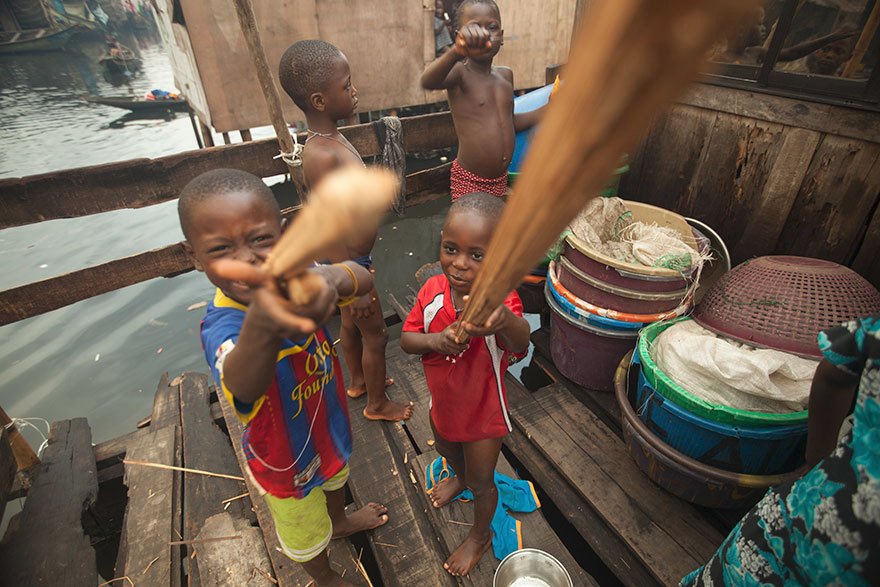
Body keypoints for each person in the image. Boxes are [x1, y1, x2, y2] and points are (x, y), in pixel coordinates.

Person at [180, 168, 390, 587]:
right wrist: (266, 317)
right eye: (221, 248)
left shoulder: (303, 274)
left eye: (261, 240)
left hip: (327, 427)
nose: (247, 259)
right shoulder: (223, 328)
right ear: (195, 257)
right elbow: (242, 383)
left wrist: (333, 276)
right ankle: (325, 575)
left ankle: (342, 520)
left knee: (336, 481)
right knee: (305, 533)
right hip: (284, 460)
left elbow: (363, 277)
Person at [682, 314, 880, 586]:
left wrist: (816, 463)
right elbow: (835, 372)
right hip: (801, 528)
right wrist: (815, 462)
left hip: (797, 518)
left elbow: (834, 371)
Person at [278, 40, 413, 422]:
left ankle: (357, 381)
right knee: (377, 333)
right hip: (347, 262)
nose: (354, 91)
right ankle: (376, 404)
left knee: (352, 326)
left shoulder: (332, 139)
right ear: (319, 101)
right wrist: (351, 281)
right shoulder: (321, 155)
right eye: (346, 85)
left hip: (352, 259)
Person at [400, 192, 531, 576]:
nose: (459, 264)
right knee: (443, 446)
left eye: (477, 256)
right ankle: (458, 477)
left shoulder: (500, 301)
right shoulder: (431, 293)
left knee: (483, 479)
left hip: (484, 414)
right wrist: (435, 340)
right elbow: (408, 340)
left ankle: (479, 535)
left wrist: (503, 320)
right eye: (451, 249)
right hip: (444, 403)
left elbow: (521, 341)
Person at [420, 0, 543, 201]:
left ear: (501, 37)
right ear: (459, 37)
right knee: (472, 231)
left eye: (492, 28)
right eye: (475, 29)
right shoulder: (460, 74)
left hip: (501, 180)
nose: (484, 34)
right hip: (470, 181)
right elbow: (428, 80)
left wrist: (548, 109)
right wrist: (456, 52)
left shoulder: (505, 76)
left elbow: (508, 122)